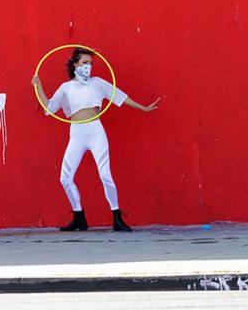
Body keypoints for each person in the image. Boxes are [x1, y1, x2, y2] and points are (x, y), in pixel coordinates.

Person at [32, 48, 160, 232]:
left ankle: (117, 219)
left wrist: (143, 108)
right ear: (75, 64)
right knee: (65, 178)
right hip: (76, 133)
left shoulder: (98, 83)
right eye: (85, 62)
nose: (88, 66)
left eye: (90, 63)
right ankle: (79, 218)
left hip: (95, 132)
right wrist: (38, 87)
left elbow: (120, 96)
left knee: (105, 175)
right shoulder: (66, 88)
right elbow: (49, 109)